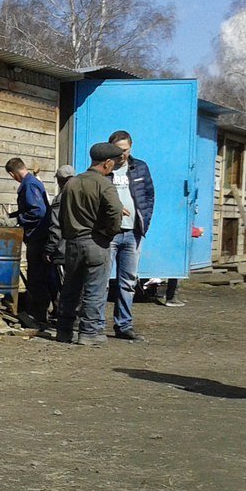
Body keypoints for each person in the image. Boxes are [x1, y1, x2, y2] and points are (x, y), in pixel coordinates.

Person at [56, 143, 124, 346]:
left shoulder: (71, 183)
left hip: (73, 243)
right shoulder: (104, 184)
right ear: (108, 163)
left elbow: (61, 214)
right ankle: (89, 333)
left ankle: (64, 331)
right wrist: (109, 232)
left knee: (70, 289)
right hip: (96, 243)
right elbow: (115, 210)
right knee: (94, 290)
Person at [106, 130, 155, 341]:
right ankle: (96, 324)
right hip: (109, 234)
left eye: (124, 150)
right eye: (117, 151)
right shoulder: (104, 168)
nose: (121, 155)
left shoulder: (140, 167)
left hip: (133, 233)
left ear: (131, 147)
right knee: (102, 280)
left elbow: (149, 195)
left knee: (128, 282)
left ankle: (124, 325)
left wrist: (144, 222)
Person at [6, 157, 54, 328]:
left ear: (13, 174)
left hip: (38, 237)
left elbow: (38, 211)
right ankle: (41, 313)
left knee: (37, 277)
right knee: (41, 276)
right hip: (38, 236)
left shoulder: (29, 185)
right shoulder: (33, 182)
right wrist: (11, 216)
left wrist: (18, 220)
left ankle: (38, 316)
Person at [41, 164, 77, 329]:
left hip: (63, 250)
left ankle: (65, 320)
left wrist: (49, 248)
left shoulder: (61, 198)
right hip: (80, 247)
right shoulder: (81, 194)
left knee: (63, 286)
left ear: (60, 181)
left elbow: (56, 226)